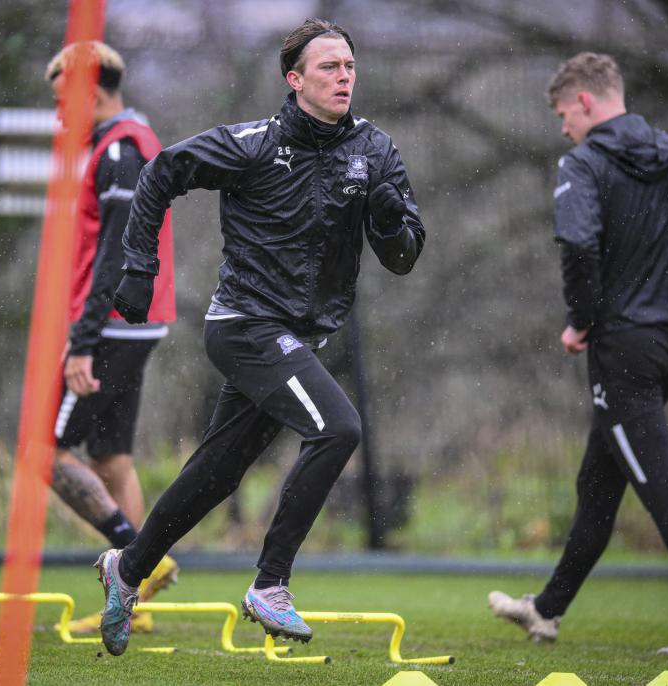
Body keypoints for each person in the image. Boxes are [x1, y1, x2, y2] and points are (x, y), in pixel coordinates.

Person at [91, 18, 426, 656]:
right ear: (294, 79)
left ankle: (126, 569)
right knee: (339, 428)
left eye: (349, 66)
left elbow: (405, 256)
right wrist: (140, 267)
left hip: (297, 339)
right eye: (328, 67)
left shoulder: (376, 152)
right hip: (243, 325)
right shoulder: (253, 144)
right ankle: (270, 583)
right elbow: (161, 172)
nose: (344, 76)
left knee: (217, 473)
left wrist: (387, 225)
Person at [489, 52, 668, 654]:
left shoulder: (582, 163)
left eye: (562, 112)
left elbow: (578, 244)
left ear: (584, 100)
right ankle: (546, 611)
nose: (562, 127)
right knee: (598, 486)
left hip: (620, 352)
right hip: (665, 348)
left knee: (660, 488)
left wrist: (580, 322)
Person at [44, 41, 179, 634]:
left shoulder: (120, 150)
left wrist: (80, 340)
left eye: (62, 102)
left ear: (92, 94)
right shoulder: (131, 142)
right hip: (137, 323)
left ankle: (142, 561)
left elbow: (115, 258)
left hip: (113, 327)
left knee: (44, 453)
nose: (58, 116)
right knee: (111, 458)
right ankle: (133, 608)